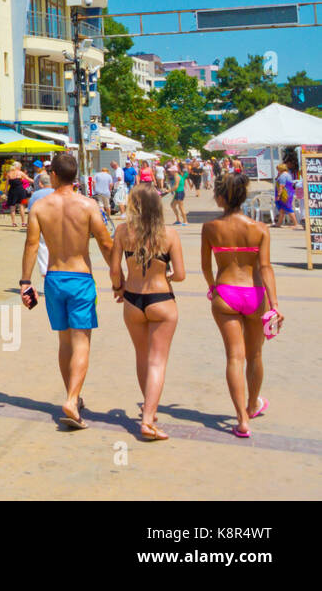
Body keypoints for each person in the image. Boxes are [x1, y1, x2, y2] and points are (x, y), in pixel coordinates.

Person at [21, 153, 114, 430]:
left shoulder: (40, 206)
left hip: (54, 278)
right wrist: (117, 276)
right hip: (81, 278)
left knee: (64, 342)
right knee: (82, 341)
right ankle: (72, 400)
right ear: (75, 176)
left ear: (54, 176)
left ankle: (72, 396)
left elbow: (31, 246)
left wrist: (25, 281)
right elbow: (106, 243)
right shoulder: (88, 206)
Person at [201, 172, 283, 438]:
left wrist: (213, 287)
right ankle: (252, 404)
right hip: (255, 294)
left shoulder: (211, 227)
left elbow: (205, 265)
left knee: (234, 357)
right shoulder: (260, 229)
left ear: (222, 197)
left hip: (225, 293)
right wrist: (275, 303)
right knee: (255, 354)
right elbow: (266, 267)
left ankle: (241, 419)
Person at [108, 185, 185, 440]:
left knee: (142, 357)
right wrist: (168, 274)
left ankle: (148, 405)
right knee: (157, 362)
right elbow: (181, 275)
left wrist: (118, 288)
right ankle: (148, 418)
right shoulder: (169, 234)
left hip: (132, 299)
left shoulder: (122, 231)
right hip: (161, 299)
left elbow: (114, 269)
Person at [274, 163, 300, 229]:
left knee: (288, 208)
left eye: (278, 169)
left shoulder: (283, 176)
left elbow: (281, 186)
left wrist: (279, 195)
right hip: (289, 193)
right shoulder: (288, 175)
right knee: (282, 209)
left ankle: (295, 223)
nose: (277, 170)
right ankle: (279, 223)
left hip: (284, 195)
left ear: (281, 169)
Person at [6, 162, 30, 229]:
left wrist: (5, 193)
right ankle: (23, 222)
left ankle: (13, 223)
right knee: (22, 206)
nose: (20, 168)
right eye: (20, 166)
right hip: (21, 191)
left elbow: (7, 184)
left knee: (12, 207)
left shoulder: (9, 173)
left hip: (12, 192)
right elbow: (28, 179)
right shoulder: (20, 173)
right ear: (18, 167)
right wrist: (36, 181)